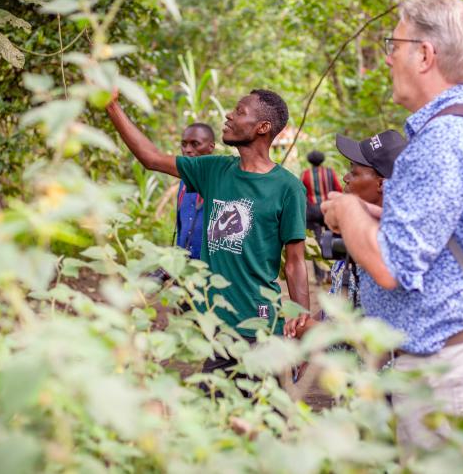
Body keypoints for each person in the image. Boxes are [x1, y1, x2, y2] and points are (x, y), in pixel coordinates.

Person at [318, 0, 463, 473]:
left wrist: (347, 210)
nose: (388, 58)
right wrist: (372, 212)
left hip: (446, 371)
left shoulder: (445, 137)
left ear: (426, 55)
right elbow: (452, 230)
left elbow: (391, 266)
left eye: (394, 45)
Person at [106, 88, 310, 376]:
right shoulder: (214, 170)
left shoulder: (288, 188)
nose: (228, 115)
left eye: (239, 112)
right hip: (216, 325)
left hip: (259, 324)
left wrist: (302, 328)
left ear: (263, 127)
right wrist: (112, 106)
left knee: (245, 400)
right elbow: (151, 158)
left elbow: (295, 263)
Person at [291, 130, 407, 336]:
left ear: (381, 183)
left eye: (354, 172)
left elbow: (368, 339)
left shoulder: (385, 250)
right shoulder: (353, 235)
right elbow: (339, 302)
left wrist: (312, 331)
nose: (346, 177)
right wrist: (308, 322)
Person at [300, 150, 342, 283]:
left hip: (312, 211)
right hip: (328, 209)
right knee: (331, 240)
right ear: (322, 160)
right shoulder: (330, 172)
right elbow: (338, 189)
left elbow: (301, 193)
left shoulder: (305, 174)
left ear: (310, 161)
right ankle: (331, 274)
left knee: (315, 243)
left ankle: (319, 276)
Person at [176, 123, 215, 260]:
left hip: (209, 267)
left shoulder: (221, 181)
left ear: (211, 147)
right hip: (183, 266)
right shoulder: (183, 183)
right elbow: (180, 227)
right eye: (184, 144)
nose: (187, 150)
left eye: (195, 144)